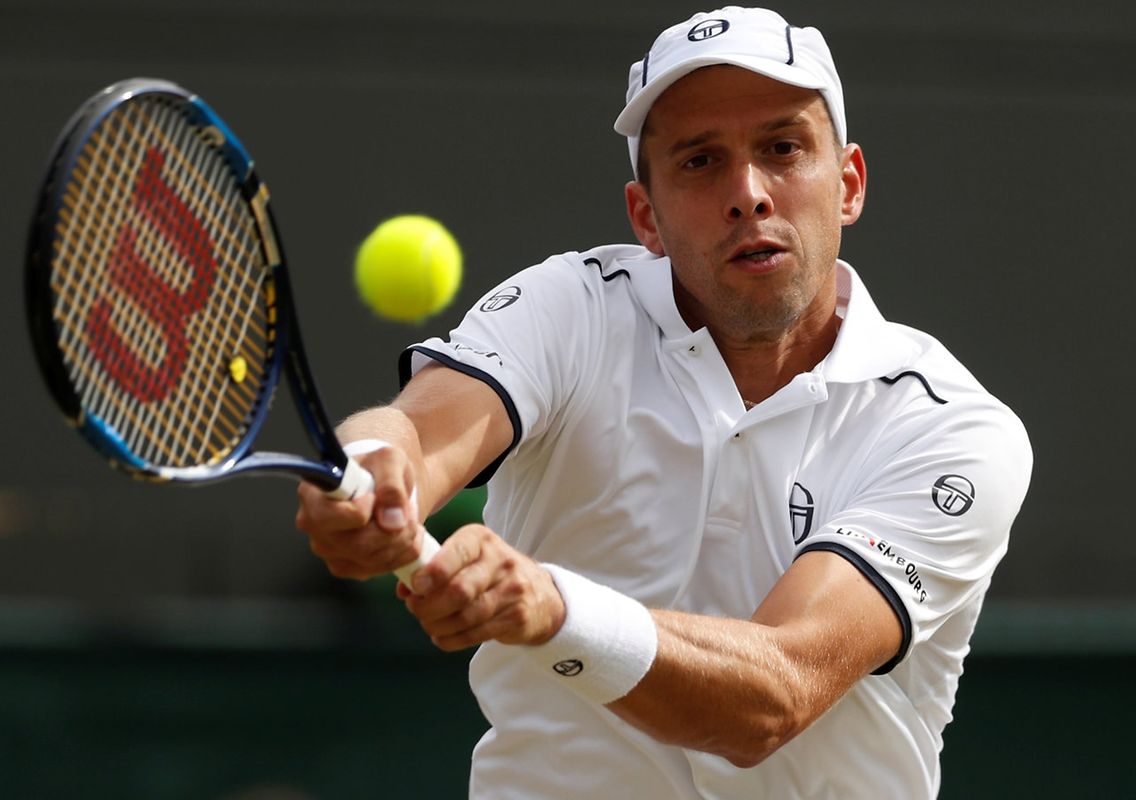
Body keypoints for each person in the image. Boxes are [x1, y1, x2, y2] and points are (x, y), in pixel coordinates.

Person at [295, 6, 1032, 798]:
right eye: (700, 161)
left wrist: (550, 607)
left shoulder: (952, 428)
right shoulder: (571, 308)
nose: (748, 193)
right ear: (645, 218)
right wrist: (373, 470)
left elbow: (775, 692)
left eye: (783, 148)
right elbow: (417, 428)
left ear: (847, 183)